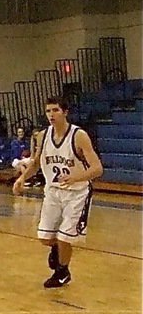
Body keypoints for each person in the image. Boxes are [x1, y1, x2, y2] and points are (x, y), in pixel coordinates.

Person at [12, 96, 103, 288]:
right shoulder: (42, 136)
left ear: (65, 112)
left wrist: (76, 177)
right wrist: (22, 178)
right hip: (53, 191)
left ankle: (62, 271)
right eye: (48, 111)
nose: (51, 115)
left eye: (55, 110)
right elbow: (36, 162)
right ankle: (57, 250)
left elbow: (97, 169)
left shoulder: (78, 136)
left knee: (65, 236)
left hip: (77, 192)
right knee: (45, 237)